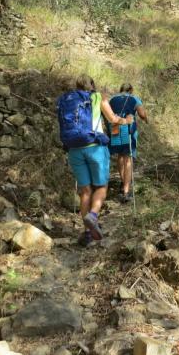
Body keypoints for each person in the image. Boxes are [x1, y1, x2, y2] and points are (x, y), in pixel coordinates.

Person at [57, 75, 134, 247]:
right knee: (101, 187)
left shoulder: (67, 100)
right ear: (92, 85)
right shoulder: (98, 97)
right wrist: (127, 120)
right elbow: (113, 119)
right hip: (95, 147)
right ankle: (93, 215)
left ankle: (87, 233)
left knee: (85, 191)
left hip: (74, 150)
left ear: (77, 86)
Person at [108, 83, 149, 203]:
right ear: (131, 90)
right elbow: (142, 114)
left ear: (120, 89)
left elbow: (108, 115)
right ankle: (126, 191)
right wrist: (146, 119)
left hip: (115, 129)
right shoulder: (134, 98)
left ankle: (123, 181)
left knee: (120, 156)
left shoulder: (112, 99)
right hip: (128, 130)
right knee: (128, 158)